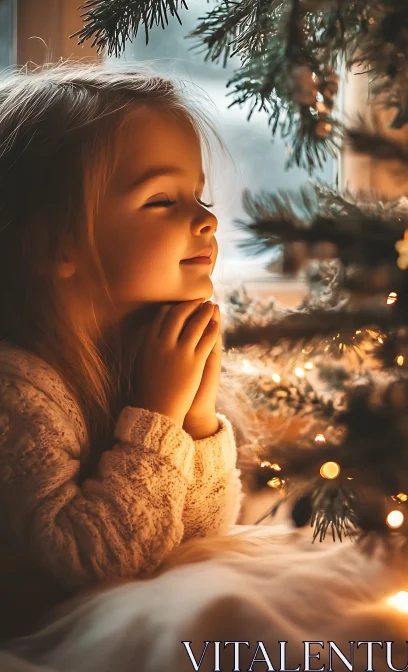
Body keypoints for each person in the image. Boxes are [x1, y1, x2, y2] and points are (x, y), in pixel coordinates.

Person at [0, 60, 244, 642]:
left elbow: (197, 537)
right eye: (162, 200)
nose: (207, 220)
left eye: (199, 196)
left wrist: (195, 418)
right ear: (57, 244)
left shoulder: (141, 353)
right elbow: (98, 565)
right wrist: (158, 415)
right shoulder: (15, 392)